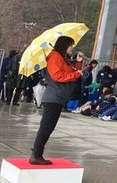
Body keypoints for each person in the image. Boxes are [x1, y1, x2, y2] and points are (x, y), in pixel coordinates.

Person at [30, 36, 84, 165]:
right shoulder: (55, 57)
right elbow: (57, 76)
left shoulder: (62, 58)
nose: (72, 48)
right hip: (53, 97)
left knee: (48, 127)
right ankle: (36, 154)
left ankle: (37, 154)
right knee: (46, 127)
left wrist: (78, 63)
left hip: (58, 97)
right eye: (71, 45)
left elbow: (69, 70)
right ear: (64, 45)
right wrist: (76, 74)